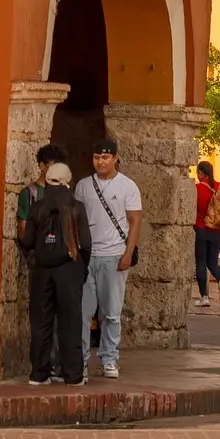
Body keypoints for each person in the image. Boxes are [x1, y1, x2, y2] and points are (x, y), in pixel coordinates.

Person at [76, 135, 142, 381]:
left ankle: (109, 358)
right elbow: (77, 220)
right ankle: (80, 360)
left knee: (111, 312)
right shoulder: (83, 186)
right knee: (84, 312)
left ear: (115, 158)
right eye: (96, 157)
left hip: (114, 255)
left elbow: (135, 221)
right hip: (88, 256)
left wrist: (128, 252)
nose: (100, 162)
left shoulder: (128, 186)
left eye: (105, 157)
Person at [24, 162, 88, 386]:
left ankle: (39, 374)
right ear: (66, 181)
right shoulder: (77, 207)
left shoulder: (38, 207)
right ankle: (72, 375)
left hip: (42, 271)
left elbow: (27, 241)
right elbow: (86, 245)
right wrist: (81, 269)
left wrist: (35, 258)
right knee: (70, 322)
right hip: (69, 269)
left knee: (41, 322)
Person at [192, 161, 220, 309]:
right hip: (217, 231)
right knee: (213, 262)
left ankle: (204, 297)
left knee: (201, 262)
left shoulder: (197, 189)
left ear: (201, 173)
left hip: (202, 229)